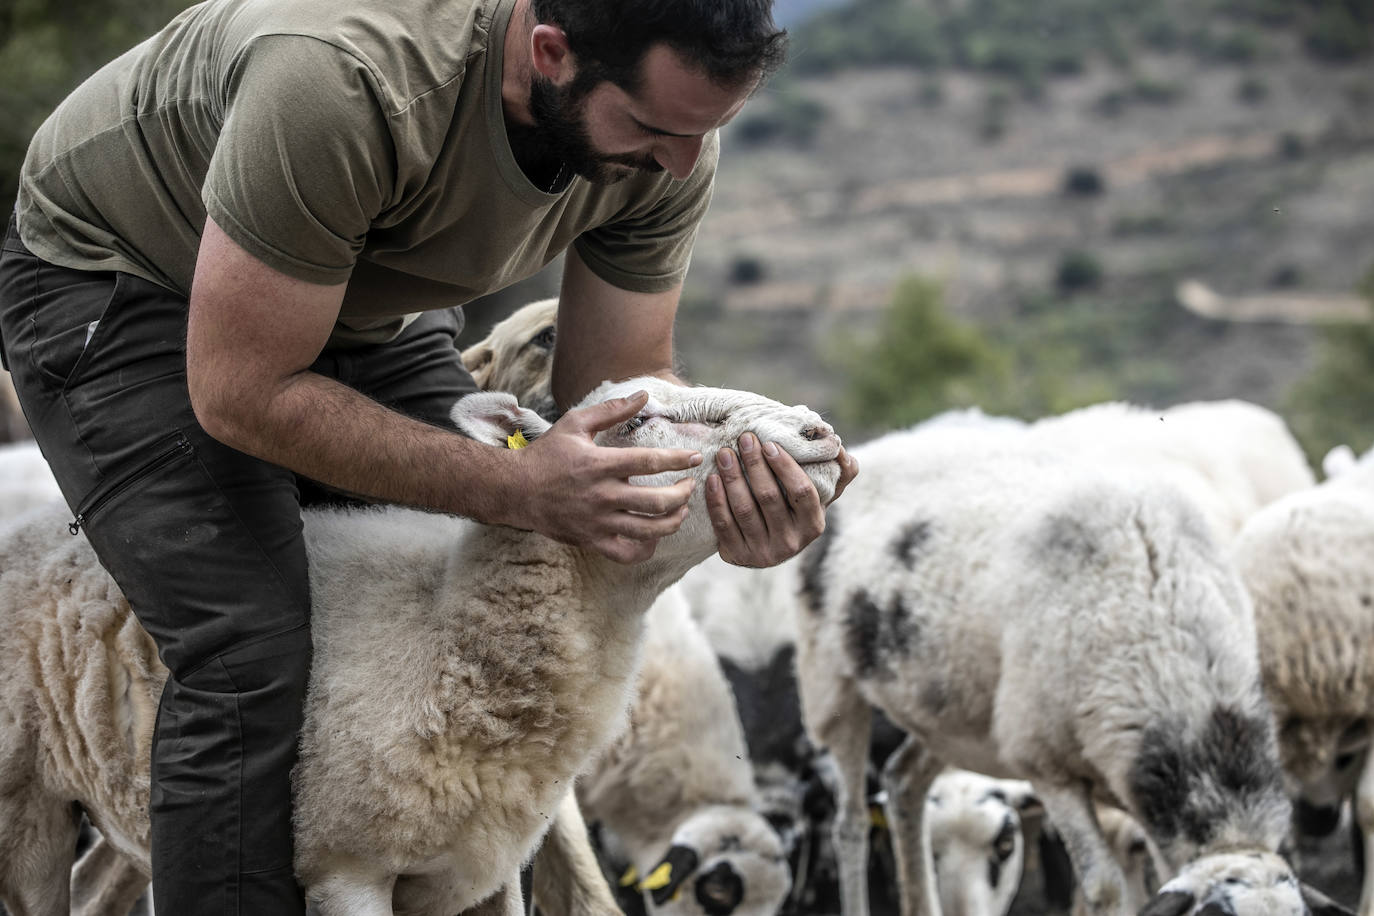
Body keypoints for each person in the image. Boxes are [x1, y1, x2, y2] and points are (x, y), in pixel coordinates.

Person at [0, 0, 858, 910]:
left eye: (706, 131)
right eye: (653, 127)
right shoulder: (344, 79)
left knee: (513, 595)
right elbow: (241, 389)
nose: (681, 165)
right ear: (552, 54)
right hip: (119, 282)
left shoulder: (667, 131)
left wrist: (725, 507)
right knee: (246, 637)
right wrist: (516, 481)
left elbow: (613, 398)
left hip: (356, 298)